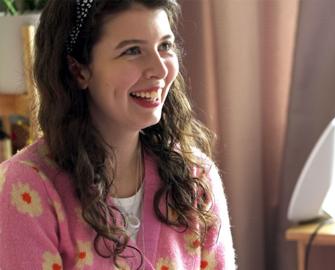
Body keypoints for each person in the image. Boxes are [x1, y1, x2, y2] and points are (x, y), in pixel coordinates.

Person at [0, 0, 236, 269]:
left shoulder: (195, 176)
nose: (159, 70)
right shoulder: (25, 188)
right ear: (78, 70)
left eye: (165, 46)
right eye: (132, 51)